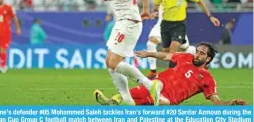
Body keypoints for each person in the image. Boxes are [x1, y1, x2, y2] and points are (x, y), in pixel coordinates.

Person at [89, 0, 161, 106]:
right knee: (109, 62)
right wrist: (146, 9)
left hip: (128, 22)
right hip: (123, 22)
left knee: (114, 63)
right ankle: (128, 100)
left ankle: (151, 85)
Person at [94, 42, 247, 106]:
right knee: (132, 97)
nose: (197, 55)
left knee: (146, 92)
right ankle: (112, 103)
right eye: (197, 51)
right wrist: (148, 53)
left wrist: (230, 104)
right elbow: (166, 56)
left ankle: (114, 104)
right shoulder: (186, 57)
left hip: (166, 99)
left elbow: (216, 101)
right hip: (154, 89)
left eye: (202, 53)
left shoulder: (207, 79)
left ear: (208, 59)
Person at [153, 0, 220, 55]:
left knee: (172, 50)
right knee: (166, 52)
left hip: (179, 24)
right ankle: (190, 52)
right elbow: (156, 5)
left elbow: (200, 2)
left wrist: (210, 16)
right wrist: (154, 13)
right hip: (165, 24)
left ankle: (174, 68)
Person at [146, 0, 196, 79]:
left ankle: (191, 64)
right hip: (161, 24)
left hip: (176, 24)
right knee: (151, 42)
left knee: (186, 49)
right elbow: (157, 6)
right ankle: (153, 71)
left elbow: (185, 5)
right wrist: (153, 13)